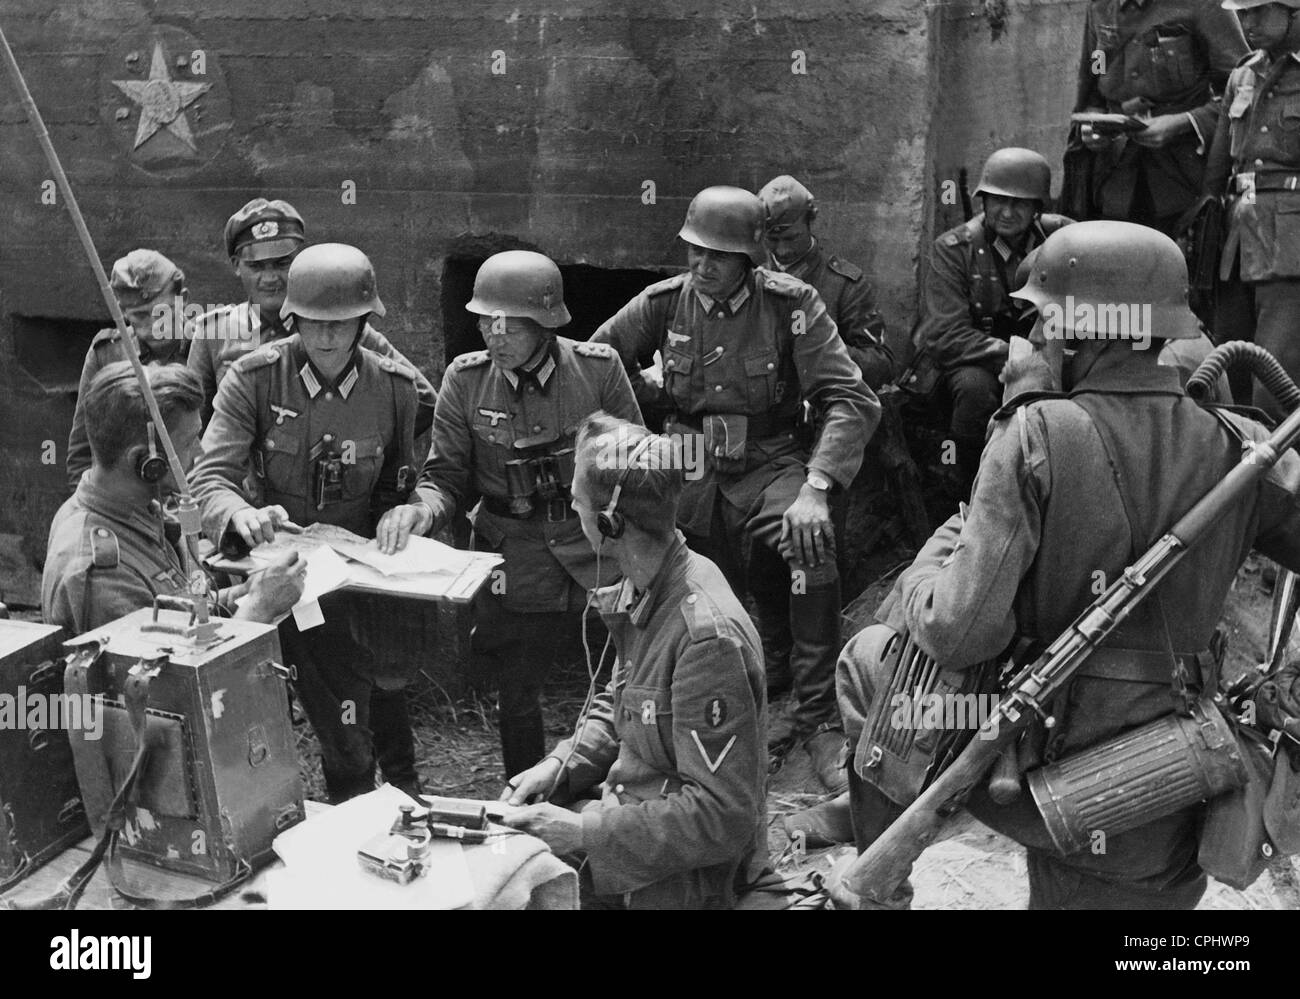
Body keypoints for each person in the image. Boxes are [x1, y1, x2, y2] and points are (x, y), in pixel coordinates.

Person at [836, 221, 1300, 909]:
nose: (1032, 338)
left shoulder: (1035, 432)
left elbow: (961, 631)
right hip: (1176, 780)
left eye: (1043, 318)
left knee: (874, 659)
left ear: (1086, 331)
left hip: (1047, 775)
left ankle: (882, 890)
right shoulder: (1245, 445)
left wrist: (923, 571)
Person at [591, 185, 878, 792]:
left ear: (750, 258)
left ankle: (818, 716)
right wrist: (644, 412)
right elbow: (596, 363)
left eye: (718, 255)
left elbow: (850, 397)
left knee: (810, 543)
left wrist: (817, 485)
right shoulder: (665, 303)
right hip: (685, 467)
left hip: (769, 462)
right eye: (695, 251)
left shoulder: (790, 304)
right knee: (658, 573)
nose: (702, 265)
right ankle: (665, 713)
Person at [380, 251, 641, 779]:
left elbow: (635, 463)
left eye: (505, 325)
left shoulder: (597, 370)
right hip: (514, 550)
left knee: (631, 676)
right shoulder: (466, 379)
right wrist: (420, 514)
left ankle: (624, 785)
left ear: (543, 324)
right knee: (517, 693)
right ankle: (523, 794)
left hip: (593, 544)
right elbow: (445, 476)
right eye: (483, 321)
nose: (490, 336)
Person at [498, 414, 767, 909]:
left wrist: (581, 830)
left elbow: (723, 816)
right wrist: (561, 764)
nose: (572, 508)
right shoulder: (648, 584)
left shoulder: (705, 640)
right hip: (633, 836)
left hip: (684, 883)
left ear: (610, 523)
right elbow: (624, 704)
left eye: (577, 501)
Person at [191, 243, 424, 803]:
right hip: (287, 575)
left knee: (385, 693)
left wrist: (404, 514)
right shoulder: (255, 379)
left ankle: (405, 798)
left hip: (364, 575)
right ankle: (352, 804)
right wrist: (240, 512)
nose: (326, 338)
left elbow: (401, 482)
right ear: (291, 317)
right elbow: (209, 478)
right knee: (340, 728)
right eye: (313, 323)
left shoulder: (394, 388)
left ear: (365, 321)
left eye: (341, 325)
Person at [44, 362, 304, 636]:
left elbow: (177, 614)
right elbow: (175, 674)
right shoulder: (103, 575)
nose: (200, 451)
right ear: (146, 462)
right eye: (189, 442)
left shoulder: (138, 513)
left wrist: (249, 591)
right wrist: (259, 608)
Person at [186, 197, 436, 432]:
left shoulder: (342, 328)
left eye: (282, 263)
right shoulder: (214, 332)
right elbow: (193, 422)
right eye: (257, 266)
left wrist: (367, 446)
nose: (271, 278)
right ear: (235, 265)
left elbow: (424, 401)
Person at [915, 148, 1073, 492]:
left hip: (1042, 351)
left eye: (1019, 203)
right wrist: (1016, 356)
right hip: (974, 358)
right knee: (975, 391)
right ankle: (958, 479)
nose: (1006, 211)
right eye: (997, 200)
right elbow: (944, 335)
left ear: (1037, 208)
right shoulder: (954, 249)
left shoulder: (1062, 241)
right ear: (983, 201)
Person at [1074, 0, 1247, 235]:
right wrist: (1093, 122)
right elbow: (1096, 71)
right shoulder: (1099, 7)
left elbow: (1243, 90)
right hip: (1115, 179)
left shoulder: (1204, 5)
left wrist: (1183, 122)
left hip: (1184, 180)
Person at [1204, 0, 1300, 419]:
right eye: (1242, 14)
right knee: (1230, 372)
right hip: (1237, 237)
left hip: (1291, 242)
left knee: (1275, 382)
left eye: (1259, 12)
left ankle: (1283, 479)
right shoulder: (1242, 73)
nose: (1247, 23)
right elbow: (1218, 163)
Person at [66, 249, 191, 487]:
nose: (154, 324)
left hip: (196, 499)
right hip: (128, 502)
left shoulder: (207, 347)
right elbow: (82, 453)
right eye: (140, 315)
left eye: (161, 312)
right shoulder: (108, 354)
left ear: (182, 299)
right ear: (123, 312)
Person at [757, 175, 894, 389]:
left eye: (792, 238)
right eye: (772, 240)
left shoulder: (844, 285)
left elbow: (880, 366)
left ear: (809, 223)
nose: (782, 250)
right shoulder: (751, 277)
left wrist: (822, 345)